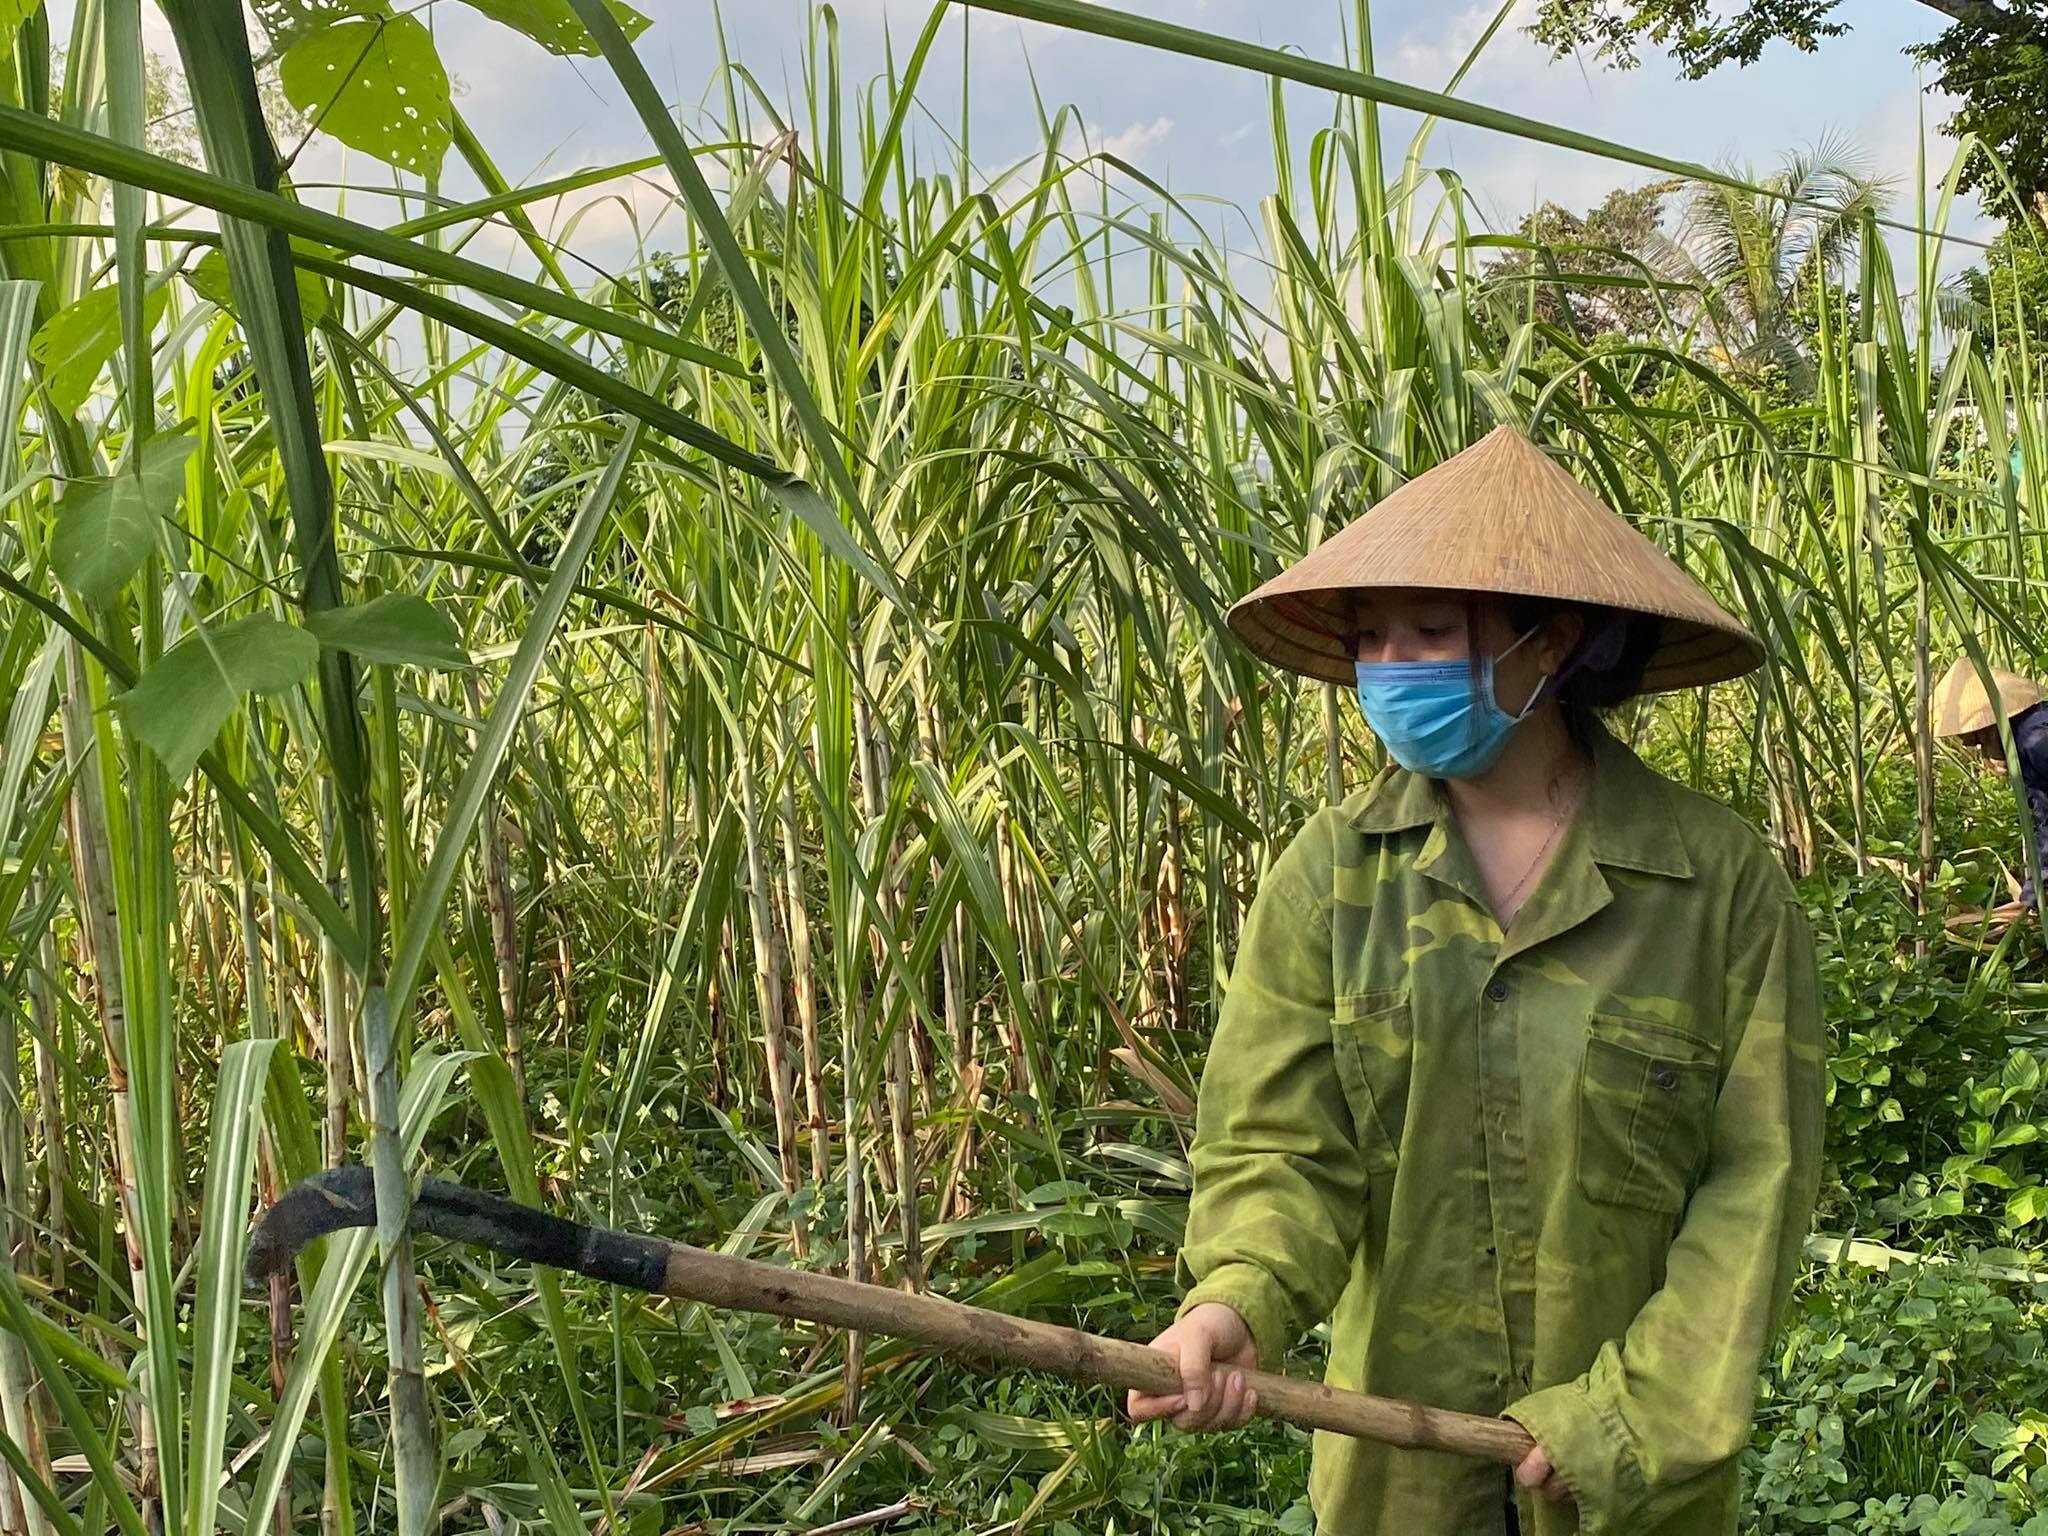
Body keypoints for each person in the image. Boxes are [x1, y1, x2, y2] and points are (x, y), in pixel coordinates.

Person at [1127, 426, 1825, 1536]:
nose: (1391, 665)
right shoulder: (1330, 877)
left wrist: (1628, 1416)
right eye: (1370, 636)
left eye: (1431, 631)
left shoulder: (1713, 884)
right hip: (1393, 1464)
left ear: (1548, 641)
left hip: (1632, 1488)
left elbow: (1756, 1184)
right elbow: (1279, 1147)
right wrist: (1234, 1301)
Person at [1932, 656, 2048, 907]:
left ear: (1988, 722)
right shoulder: (2021, 735)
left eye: (1970, 733)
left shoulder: (2036, 740)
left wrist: (2036, 887)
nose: (1965, 741)